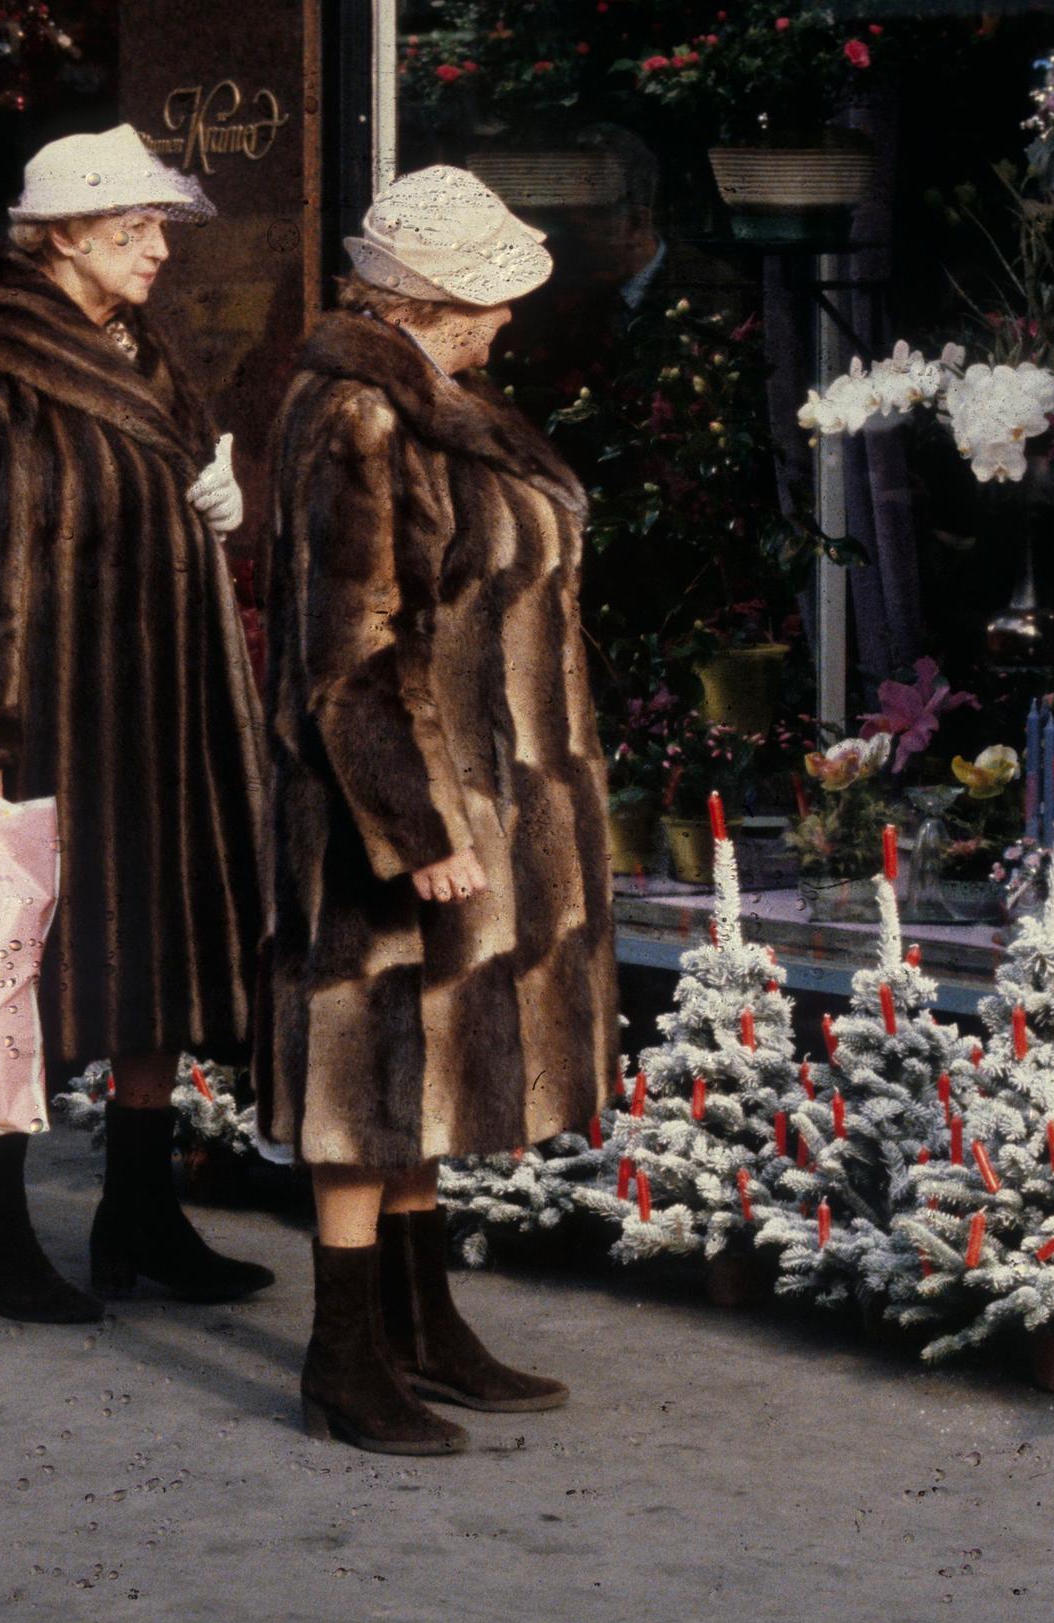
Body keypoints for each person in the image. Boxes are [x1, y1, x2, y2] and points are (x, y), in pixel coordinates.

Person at [0, 124, 272, 1322]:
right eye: (133, 228)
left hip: (152, 714)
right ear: (59, 240)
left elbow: (132, 484)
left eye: (159, 226)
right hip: (46, 718)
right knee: (8, 966)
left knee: (151, 961)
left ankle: (139, 1213)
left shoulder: (130, 343)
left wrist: (205, 493)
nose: (159, 248)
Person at [267, 166, 618, 1455]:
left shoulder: (438, 405)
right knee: (363, 1075)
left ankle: (420, 1325)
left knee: (418, 1061)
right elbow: (351, 645)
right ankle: (341, 1356)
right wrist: (415, 825)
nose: (505, 320)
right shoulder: (363, 415)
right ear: (428, 295)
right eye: (488, 296)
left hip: (476, 789)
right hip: (404, 803)